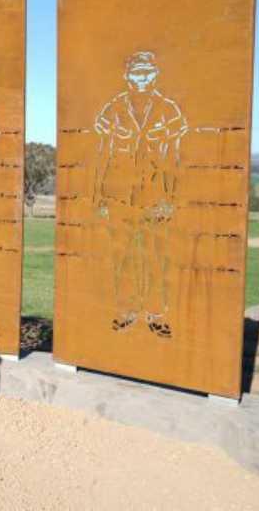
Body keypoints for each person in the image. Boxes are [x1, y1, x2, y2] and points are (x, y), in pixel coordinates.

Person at [92, 51, 187, 337]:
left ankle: (156, 315)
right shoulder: (113, 109)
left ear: (155, 74)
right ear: (127, 76)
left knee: (156, 259)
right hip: (119, 197)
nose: (141, 79)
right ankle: (126, 311)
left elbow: (174, 157)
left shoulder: (168, 110)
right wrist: (99, 196)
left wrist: (172, 199)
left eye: (146, 73)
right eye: (135, 73)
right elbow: (102, 155)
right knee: (122, 257)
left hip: (155, 198)